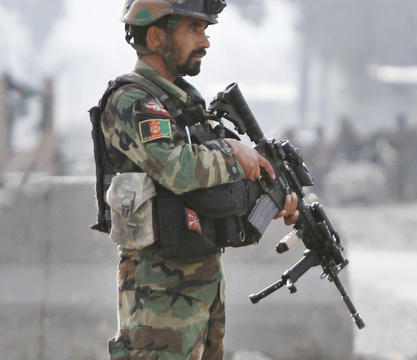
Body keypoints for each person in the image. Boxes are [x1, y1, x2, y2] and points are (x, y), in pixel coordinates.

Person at [91, 1, 298, 359]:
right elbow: (179, 169)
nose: (205, 41)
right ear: (157, 36)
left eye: (205, 30)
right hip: (158, 293)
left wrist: (272, 196)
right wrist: (234, 154)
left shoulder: (184, 103)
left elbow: (212, 188)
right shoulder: (133, 101)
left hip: (202, 286)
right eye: (193, 29)